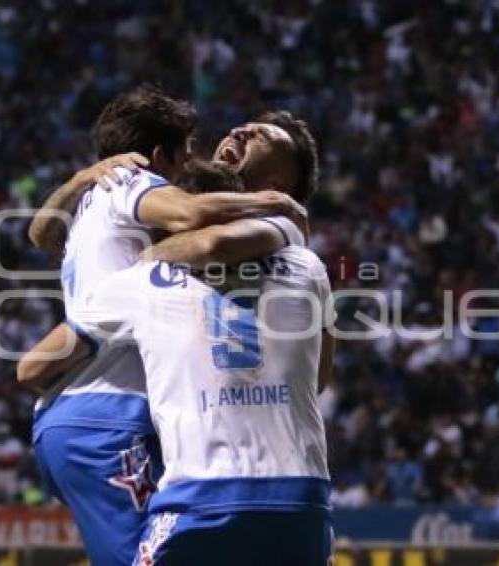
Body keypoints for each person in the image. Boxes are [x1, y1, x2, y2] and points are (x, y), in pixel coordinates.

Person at [28, 85, 314, 566]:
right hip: (112, 413)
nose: (238, 130)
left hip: (106, 417)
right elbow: (194, 222)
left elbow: (40, 235)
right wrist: (278, 206)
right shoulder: (137, 192)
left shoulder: (114, 199)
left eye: (259, 135)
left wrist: (78, 181)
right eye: (184, 157)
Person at [18, 245, 335, 565]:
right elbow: (318, 380)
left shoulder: (142, 280)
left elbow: (31, 368)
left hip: (202, 491)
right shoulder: (305, 263)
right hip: (303, 493)